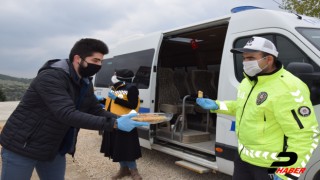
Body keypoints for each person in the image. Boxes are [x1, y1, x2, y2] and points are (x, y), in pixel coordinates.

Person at [0, 38, 149, 180]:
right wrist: (114, 124)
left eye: (101, 61)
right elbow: (66, 114)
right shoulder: (51, 77)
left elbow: (95, 109)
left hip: (54, 147)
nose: (99, 65)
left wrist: (124, 119)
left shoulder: (85, 82)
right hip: (23, 145)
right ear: (78, 59)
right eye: (95, 60)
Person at [196, 36, 319, 180]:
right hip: (243, 159)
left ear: (269, 60)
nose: (246, 62)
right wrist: (217, 105)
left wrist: (288, 173)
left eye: (251, 58)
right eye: (244, 58)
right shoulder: (247, 82)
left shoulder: (289, 88)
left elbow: (305, 135)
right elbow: (242, 107)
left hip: (271, 166)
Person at [100, 69, 143, 180]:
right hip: (113, 121)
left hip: (126, 123)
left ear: (120, 77)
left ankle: (134, 171)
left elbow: (132, 105)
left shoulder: (131, 88)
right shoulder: (114, 87)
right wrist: (102, 100)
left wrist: (116, 99)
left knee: (127, 147)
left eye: (115, 75)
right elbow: (111, 104)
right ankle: (123, 170)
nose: (113, 76)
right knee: (117, 147)